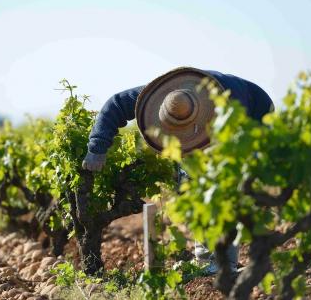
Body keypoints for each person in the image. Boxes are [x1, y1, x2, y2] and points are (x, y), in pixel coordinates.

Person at [81, 67, 274, 274]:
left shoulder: (229, 105)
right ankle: (206, 259)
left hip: (255, 114)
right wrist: (97, 148)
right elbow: (115, 104)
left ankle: (223, 263)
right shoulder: (162, 96)